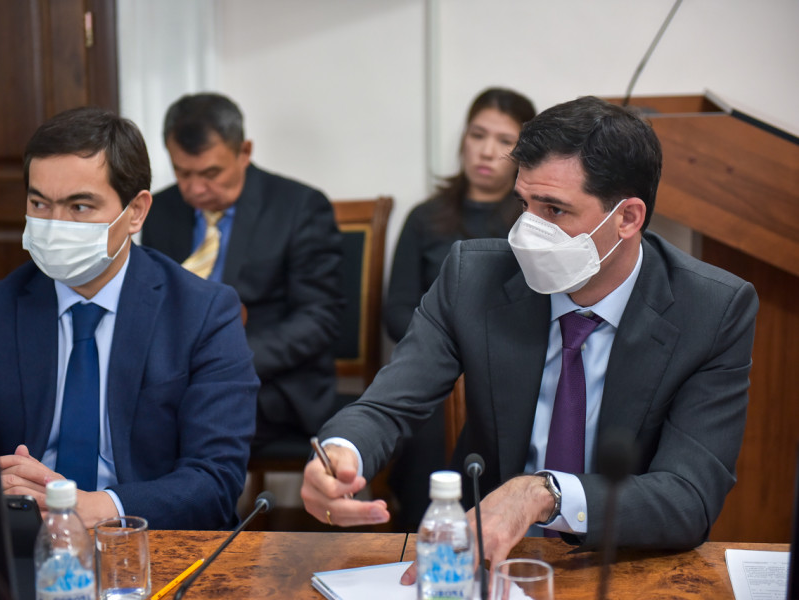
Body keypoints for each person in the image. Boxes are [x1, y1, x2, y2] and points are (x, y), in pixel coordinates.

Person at [301, 96, 758, 582]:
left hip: (621, 565)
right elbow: (388, 404)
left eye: (555, 210)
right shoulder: (471, 277)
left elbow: (688, 497)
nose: (528, 232)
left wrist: (543, 493)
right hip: (483, 562)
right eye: (524, 204)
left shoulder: (712, 310)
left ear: (627, 218)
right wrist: (342, 453)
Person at [0, 107, 259, 530]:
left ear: (136, 212)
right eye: (39, 203)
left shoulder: (203, 312)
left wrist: (102, 507)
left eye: (80, 206)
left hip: (145, 536)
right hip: (23, 534)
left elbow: (215, 479)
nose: (55, 225)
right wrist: (3, 486)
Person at [141, 93, 344, 448]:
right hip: (179, 379)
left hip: (271, 382)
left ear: (244, 152)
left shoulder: (298, 207)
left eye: (211, 173)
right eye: (182, 172)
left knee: (180, 424)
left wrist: (225, 362)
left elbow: (318, 318)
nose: (195, 188)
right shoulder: (160, 210)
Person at [383, 87, 536, 529]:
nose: (487, 151)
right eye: (477, 135)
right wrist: (450, 354)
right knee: (428, 419)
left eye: (505, 141)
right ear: (463, 139)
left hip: (507, 366)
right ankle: (424, 536)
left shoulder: (533, 221)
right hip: (438, 365)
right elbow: (397, 312)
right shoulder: (425, 217)